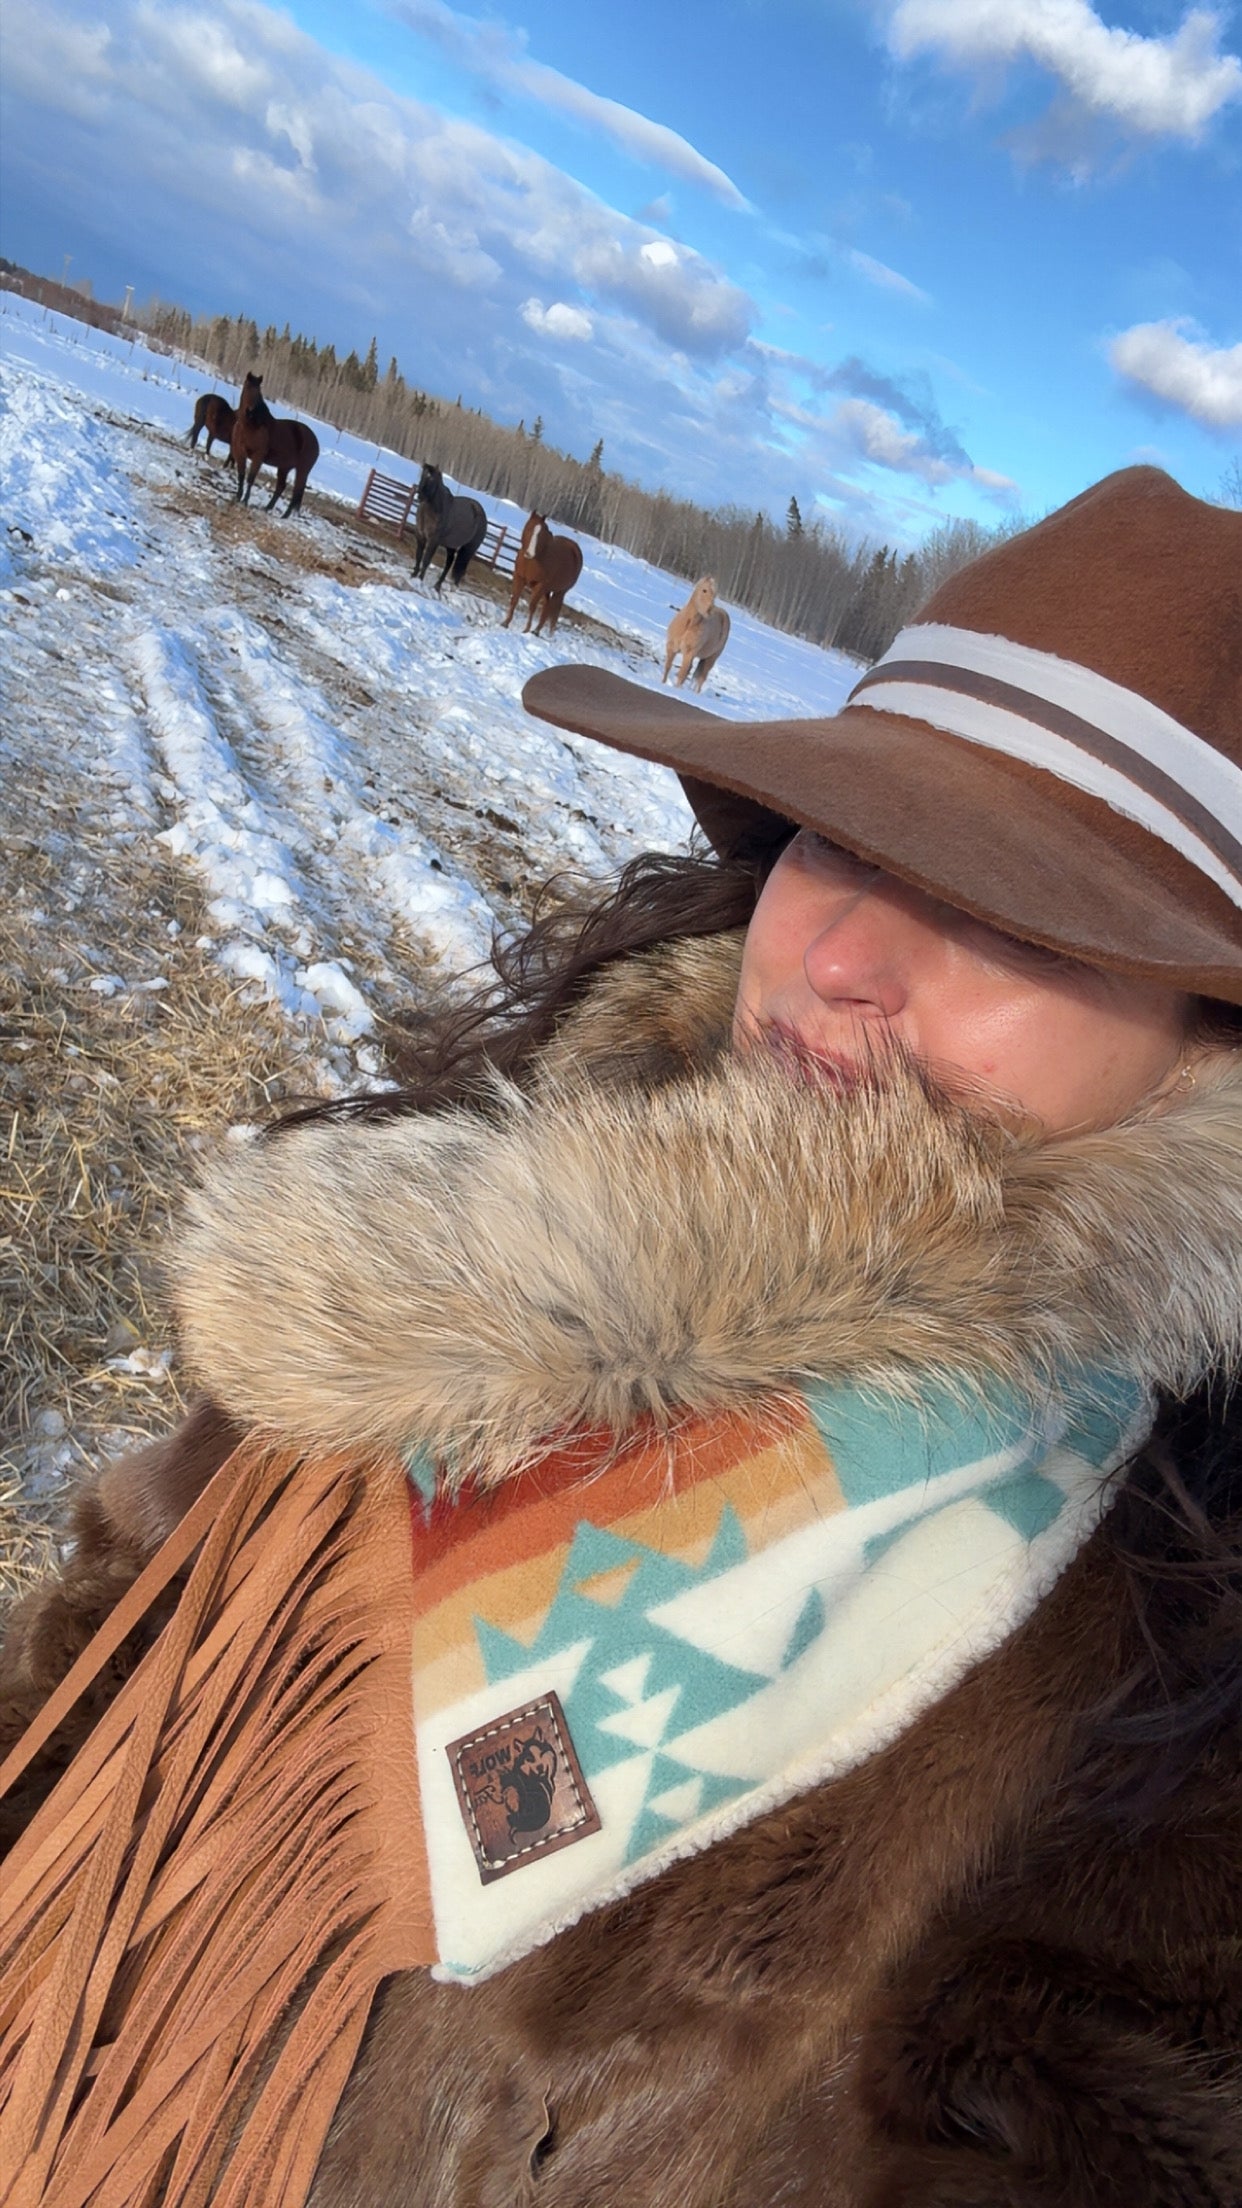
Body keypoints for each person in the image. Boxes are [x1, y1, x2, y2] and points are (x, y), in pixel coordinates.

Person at [1, 465, 1239, 2207]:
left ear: (1204, 1042)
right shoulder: (456, 1247)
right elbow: (105, 1654)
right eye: (842, 841)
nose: (842, 957)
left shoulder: (1158, 1695)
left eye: (1017, 914)